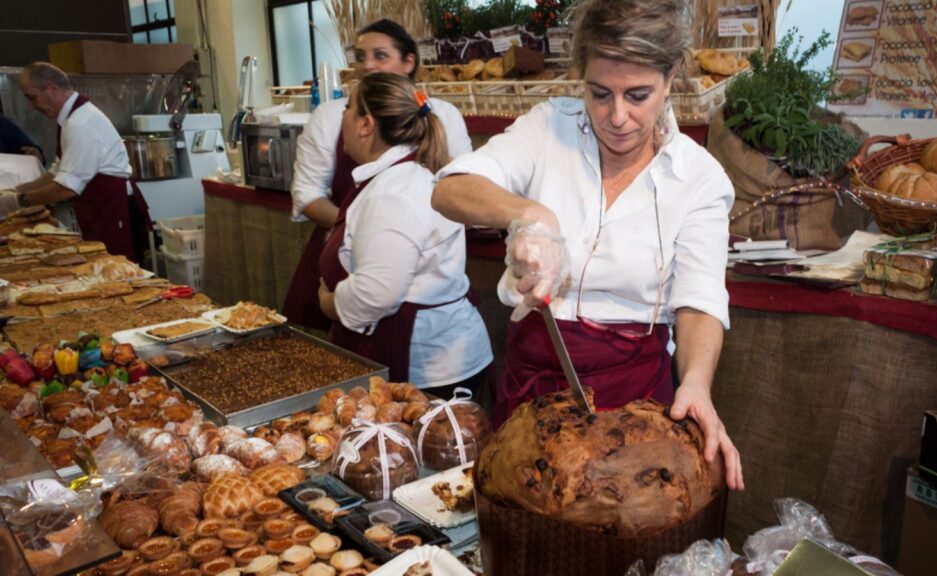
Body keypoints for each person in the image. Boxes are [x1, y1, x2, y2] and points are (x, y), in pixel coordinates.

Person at [432, 0, 743, 490]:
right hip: (533, 391)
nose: (617, 116)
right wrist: (531, 214)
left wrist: (698, 384)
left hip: (635, 399)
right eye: (600, 94)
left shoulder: (698, 178)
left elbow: (700, 301)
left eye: (638, 95)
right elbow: (450, 188)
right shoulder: (546, 129)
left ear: (670, 80)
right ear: (580, 80)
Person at [285, 19, 472, 331]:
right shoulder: (331, 115)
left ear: (408, 62)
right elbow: (307, 196)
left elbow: (464, 191)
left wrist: (378, 232)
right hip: (343, 266)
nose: (368, 65)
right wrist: (362, 232)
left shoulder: (441, 115)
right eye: (361, 56)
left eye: (380, 55)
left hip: (409, 289)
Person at [316, 73, 491, 398]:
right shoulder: (399, 176)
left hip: (429, 371)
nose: (342, 116)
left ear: (366, 125)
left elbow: (377, 293)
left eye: (348, 107)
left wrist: (329, 303)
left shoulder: (393, 193)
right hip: (435, 357)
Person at [0, 63, 150, 262]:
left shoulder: (81, 124)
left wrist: (20, 201)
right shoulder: (71, 119)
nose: (30, 106)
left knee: (118, 273)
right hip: (101, 208)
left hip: (115, 209)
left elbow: (66, 188)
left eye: (31, 97)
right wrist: (14, 190)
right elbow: (57, 171)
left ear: (52, 89)